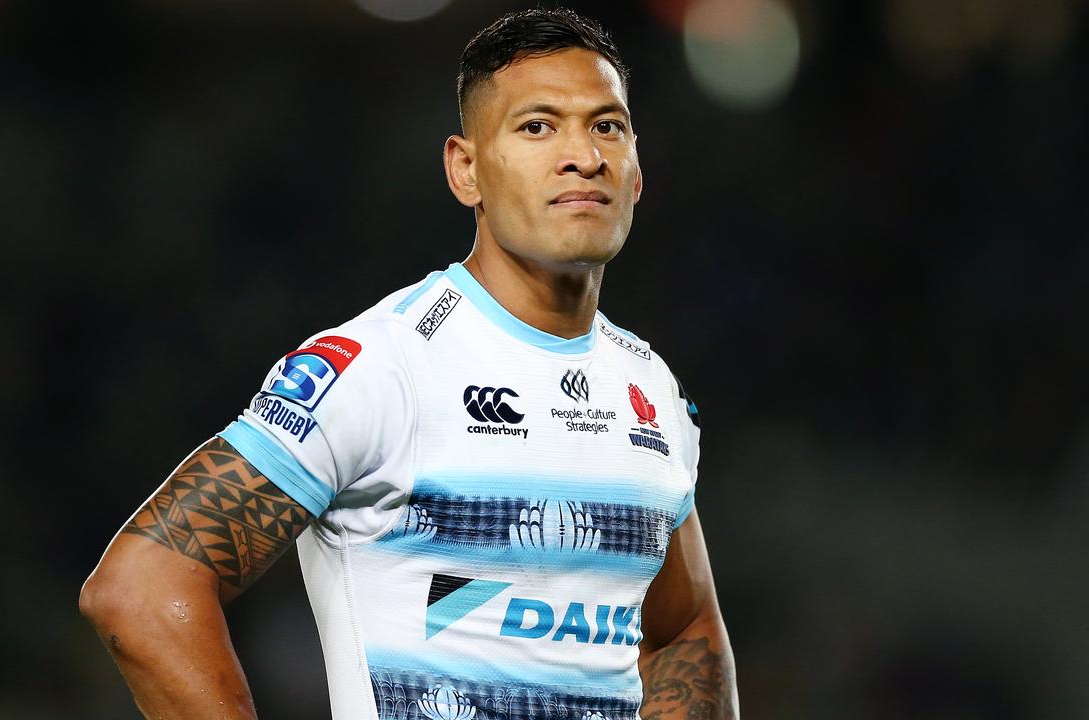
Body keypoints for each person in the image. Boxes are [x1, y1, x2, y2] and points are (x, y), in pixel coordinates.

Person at [80, 8, 738, 720]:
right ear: (466, 170)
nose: (583, 155)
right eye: (537, 126)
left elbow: (683, 633)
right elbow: (141, 586)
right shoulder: (382, 366)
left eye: (607, 126)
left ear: (638, 173)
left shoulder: (648, 388)